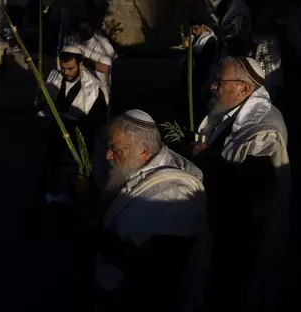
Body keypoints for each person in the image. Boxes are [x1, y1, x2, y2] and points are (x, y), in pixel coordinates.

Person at [191, 56, 290, 311]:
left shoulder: (263, 129)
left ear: (244, 89)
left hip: (240, 233)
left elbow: (251, 185)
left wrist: (206, 159)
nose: (213, 86)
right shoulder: (233, 110)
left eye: (219, 82)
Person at [95, 110, 209, 312]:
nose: (108, 155)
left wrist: (82, 229)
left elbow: (147, 267)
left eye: (115, 149)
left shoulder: (173, 195)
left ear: (143, 151)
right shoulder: (146, 161)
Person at [37, 46, 109, 203]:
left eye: (70, 68)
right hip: (56, 133)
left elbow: (98, 120)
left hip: (80, 138)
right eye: (64, 69)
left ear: (80, 64)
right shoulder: (56, 77)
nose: (66, 73)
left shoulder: (94, 89)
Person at [190, 16, 219, 123]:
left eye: (196, 29)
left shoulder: (210, 40)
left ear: (203, 26)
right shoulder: (198, 38)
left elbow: (207, 61)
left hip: (205, 77)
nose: (193, 32)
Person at [75, 19, 117, 94]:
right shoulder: (76, 41)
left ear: (91, 28)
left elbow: (106, 68)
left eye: (85, 28)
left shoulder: (102, 43)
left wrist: (83, 60)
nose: (82, 31)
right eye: (80, 28)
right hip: (84, 89)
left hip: (101, 91)